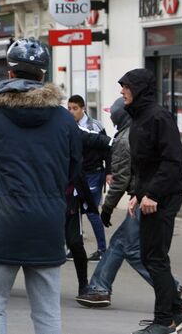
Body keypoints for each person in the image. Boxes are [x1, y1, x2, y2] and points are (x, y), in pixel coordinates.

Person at [0, 38, 81, 334]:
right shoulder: (65, 121)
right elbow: (74, 168)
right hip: (48, 222)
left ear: (11, 74)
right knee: (46, 309)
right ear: (44, 75)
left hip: (3, 219)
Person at [75, 98, 182, 321]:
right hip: (144, 196)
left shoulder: (126, 137)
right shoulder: (136, 131)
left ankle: (171, 292)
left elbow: (121, 178)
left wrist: (107, 208)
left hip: (147, 198)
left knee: (138, 251)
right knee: (122, 244)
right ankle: (100, 288)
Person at [119, 69, 182, 334]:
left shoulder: (158, 116)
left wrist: (152, 195)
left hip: (165, 195)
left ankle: (165, 322)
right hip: (152, 194)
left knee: (154, 257)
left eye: (125, 86)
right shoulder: (140, 117)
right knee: (152, 256)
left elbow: (173, 162)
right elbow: (145, 164)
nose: (121, 91)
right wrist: (137, 193)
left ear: (139, 89)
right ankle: (178, 311)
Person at [67, 95, 110, 261]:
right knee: (73, 212)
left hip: (93, 174)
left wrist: (109, 172)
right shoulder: (69, 126)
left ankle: (102, 250)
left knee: (91, 211)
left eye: (75, 108)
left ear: (83, 108)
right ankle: (75, 248)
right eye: (69, 108)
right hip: (76, 175)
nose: (71, 112)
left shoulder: (95, 125)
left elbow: (107, 148)